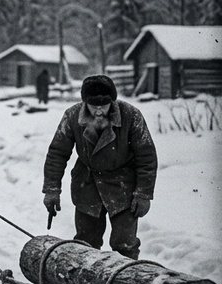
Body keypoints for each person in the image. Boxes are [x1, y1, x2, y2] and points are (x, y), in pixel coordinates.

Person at [42, 75, 157, 259]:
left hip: (123, 186)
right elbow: (57, 153)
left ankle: (124, 283)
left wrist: (143, 193)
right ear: (84, 102)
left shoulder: (131, 115)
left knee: (124, 245)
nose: (98, 111)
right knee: (86, 244)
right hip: (87, 184)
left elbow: (147, 156)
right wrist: (52, 189)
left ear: (112, 101)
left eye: (103, 106)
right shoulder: (72, 116)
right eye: (93, 106)